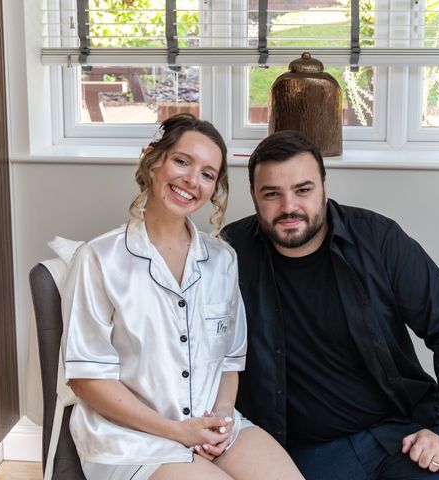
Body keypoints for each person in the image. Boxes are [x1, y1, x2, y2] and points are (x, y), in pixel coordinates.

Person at [221, 130, 439, 479]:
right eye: (272, 194)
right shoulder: (228, 256)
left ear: (324, 188)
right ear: (254, 196)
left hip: (400, 434)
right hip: (303, 451)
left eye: (303, 190)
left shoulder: (378, 239)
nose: (289, 207)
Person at [60, 114, 304, 480]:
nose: (192, 180)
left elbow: (229, 362)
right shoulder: (99, 259)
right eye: (182, 161)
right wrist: (177, 431)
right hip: (131, 439)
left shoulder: (222, 259)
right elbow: (86, 378)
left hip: (209, 426)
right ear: (152, 160)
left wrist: (219, 420)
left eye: (208, 174)